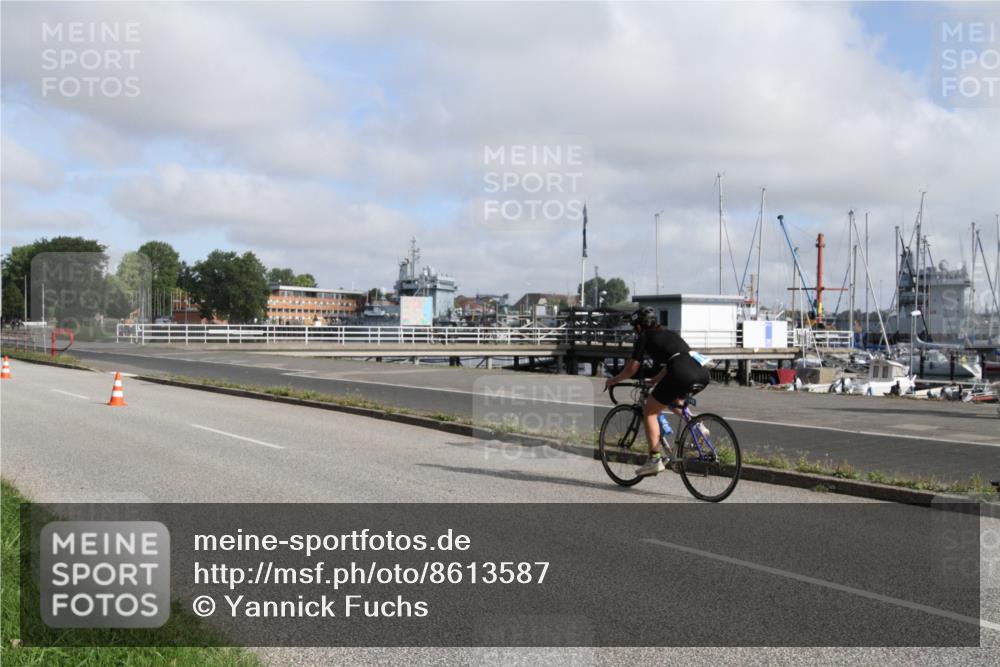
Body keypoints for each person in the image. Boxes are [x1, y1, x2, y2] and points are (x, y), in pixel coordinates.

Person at [604, 307, 711, 476]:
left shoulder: (644, 337)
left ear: (639, 326)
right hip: (701, 372)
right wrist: (654, 380)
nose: (634, 331)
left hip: (680, 372)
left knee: (649, 411)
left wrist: (614, 380)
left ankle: (654, 459)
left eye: (634, 327)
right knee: (673, 399)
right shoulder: (670, 334)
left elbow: (633, 368)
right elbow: (675, 360)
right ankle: (697, 426)